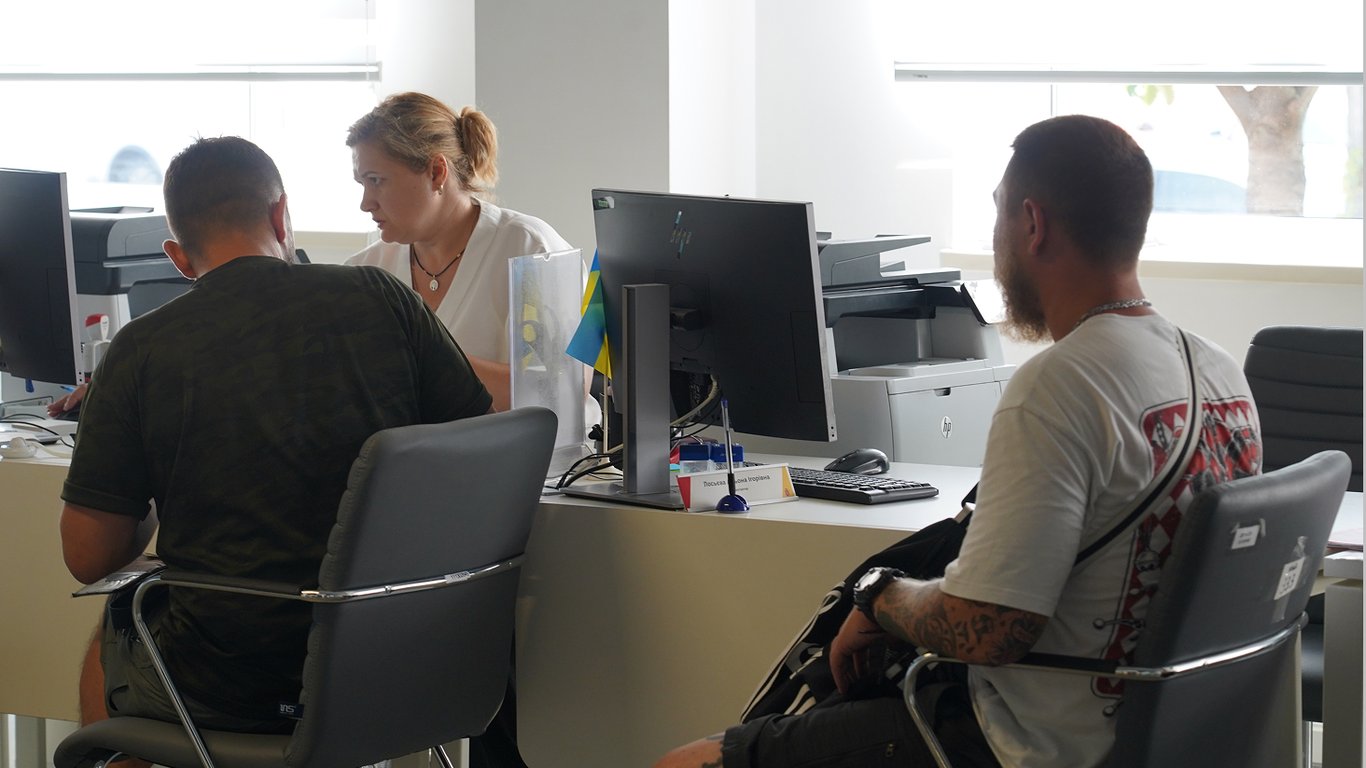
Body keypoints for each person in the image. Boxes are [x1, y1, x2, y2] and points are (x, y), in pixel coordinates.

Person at [655, 115, 1263, 768]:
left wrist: (880, 596)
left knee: (683, 764)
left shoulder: (1059, 386)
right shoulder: (1217, 369)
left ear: (1032, 223)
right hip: (1165, 731)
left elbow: (989, 626)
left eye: (998, 212)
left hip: (1027, 740)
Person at [60, 136, 492, 739]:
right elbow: (478, 446)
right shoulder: (384, 297)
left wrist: (152, 470)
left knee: (111, 635)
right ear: (281, 216)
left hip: (228, 681)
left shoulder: (142, 348)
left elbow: (88, 558)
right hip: (394, 658)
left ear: (178, 258)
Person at [346, 91, 573, 413]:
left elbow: (555, 391)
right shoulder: (365, 271)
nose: (366, 203)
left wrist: (425, 356)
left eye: (376, 181)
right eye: (362, 184)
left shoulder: (530, 250)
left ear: (437, 172)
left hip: (531, 447)